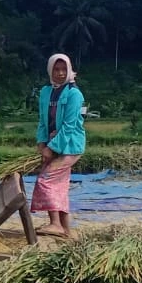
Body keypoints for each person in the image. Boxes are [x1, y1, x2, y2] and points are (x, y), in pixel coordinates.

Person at [32, 53, 86, 238]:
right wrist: (41, 142)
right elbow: (42, 120)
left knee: (46, 180)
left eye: (64, 69)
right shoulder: (46, 92)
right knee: (59, 186)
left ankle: (55, 224)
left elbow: (69, 126)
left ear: (69, 69)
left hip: (70, 146)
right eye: (56, 69)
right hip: (51, 143)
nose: (61, 73)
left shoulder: (74, 94)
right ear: (50, 70)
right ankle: (67, 232)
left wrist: (52, 148)